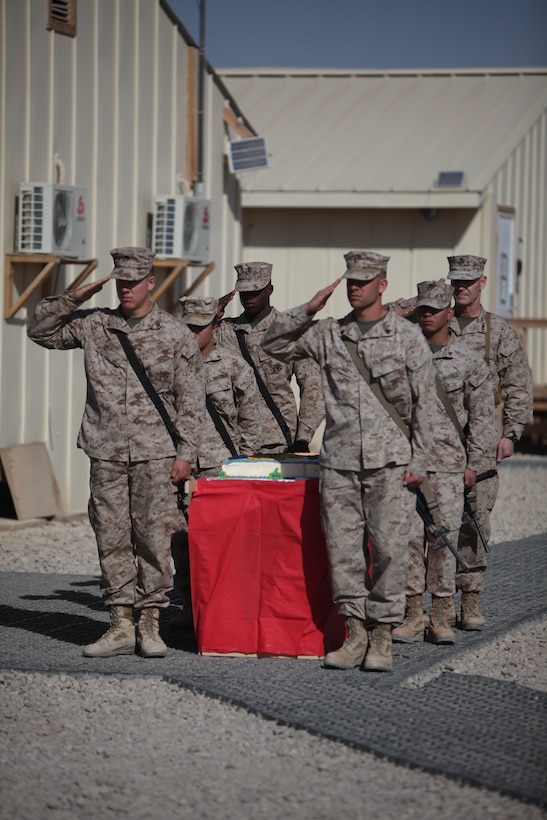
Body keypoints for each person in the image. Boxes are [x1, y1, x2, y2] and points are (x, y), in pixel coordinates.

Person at [262, 251, 437, 673]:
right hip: (340, 463)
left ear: (383, 284)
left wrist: (422, 460)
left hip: (390, 464)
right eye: (350, 280)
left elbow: (425, 403)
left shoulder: (406, 336)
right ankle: (354, 633)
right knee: (343, 551)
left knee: (391, 550)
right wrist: (306, 309)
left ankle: (382, 637)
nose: (355, 286)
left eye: (365, 280)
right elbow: (272, 343)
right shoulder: (327, 334)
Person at [27, 247, 204, 658]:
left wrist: (186, 453)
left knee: (154, 539)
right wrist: (75, 296)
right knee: (111, 537)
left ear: (150, 283)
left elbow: (191, 399)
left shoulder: (175, 334)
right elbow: (40, 331)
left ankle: (151, 624)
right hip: (105, 451)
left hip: (156, 454)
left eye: (133, 282)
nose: (125, 289)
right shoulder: (95, 325)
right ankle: (120, 624)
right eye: (119, 282)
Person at [392, 280, 497, 645]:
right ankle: (412, 615)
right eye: (422, 309)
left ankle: (440, 616)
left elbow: (483, 419)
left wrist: (475, 464)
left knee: (441, 542)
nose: (427, 315)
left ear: (449, 313)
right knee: (406, 542)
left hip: (448, 467)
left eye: (434, 309)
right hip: (406, 466)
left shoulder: (468, 361)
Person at [446, 255, 533, 628]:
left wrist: (511, 433)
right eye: (455, 282)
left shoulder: (498, 332)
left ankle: (471, 598)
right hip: (439, 440)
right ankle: (435, 602)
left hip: (480, 441)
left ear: (482, 282)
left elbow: (518, 383)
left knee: (474, 519)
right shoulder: (434, 323)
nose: (461, 288)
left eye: (468, 282)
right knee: (432, 521)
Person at [169, 296, 262, 628]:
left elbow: (252, 419)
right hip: (179, 467)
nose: (193, 334)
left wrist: (242, 466)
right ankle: (187, 604)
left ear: (216, 327)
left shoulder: (233, 366)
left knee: (220, 542)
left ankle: (224, 606)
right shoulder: (170, 365)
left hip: (219, 468)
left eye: (200, 328)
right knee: (181, 539)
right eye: (188, 327)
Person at [216, 261, 324, 454]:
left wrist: (303, 437)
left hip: (277, 442)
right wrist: (209, 315)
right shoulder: (224, 332)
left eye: (255, 291)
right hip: (231, 441)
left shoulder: (290, 331)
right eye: (244, 292)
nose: (249, 297)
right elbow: (181, 348)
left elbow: (313, 387)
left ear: (270, 290)